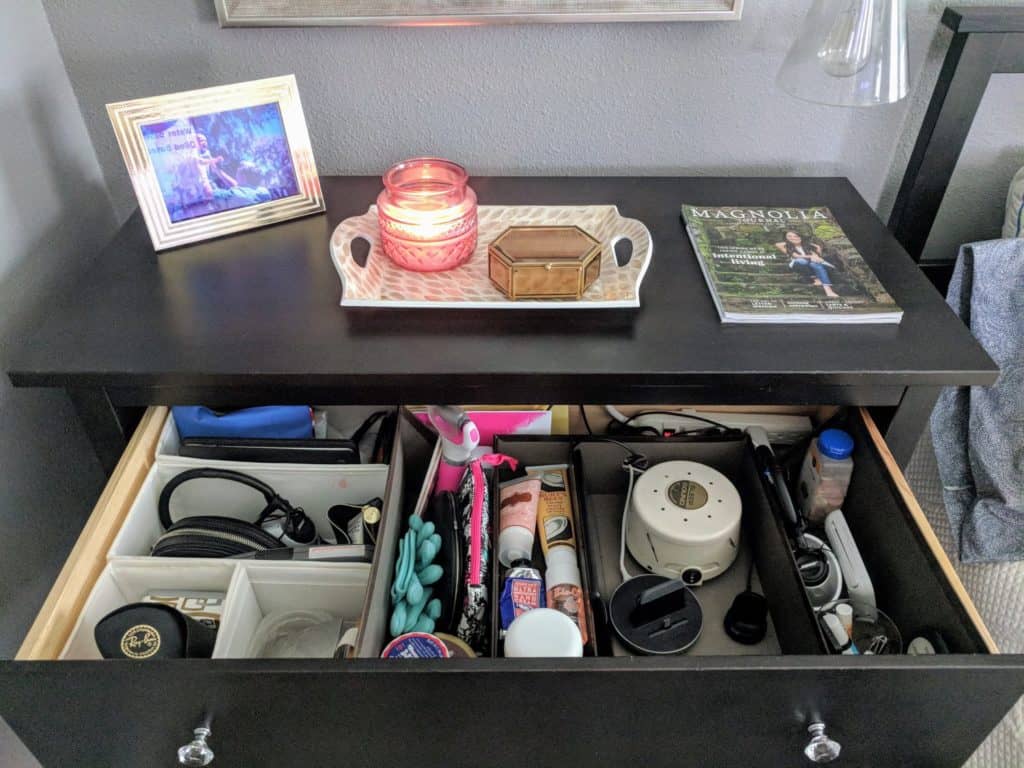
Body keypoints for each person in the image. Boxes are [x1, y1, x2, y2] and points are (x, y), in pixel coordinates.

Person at [776, 230, 839, 298]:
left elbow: (818, 258)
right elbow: (779, 245)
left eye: (796, 236)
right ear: (786, 239)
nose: (793, 238)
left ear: (801, 237)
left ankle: (828, 290)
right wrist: (810, 256)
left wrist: (810, 246)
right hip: (802, 265)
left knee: (814, 264)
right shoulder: (788, 248)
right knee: (801, 261)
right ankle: (816, 278)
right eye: (789, 236)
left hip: (821, 266)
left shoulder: (810, 247)